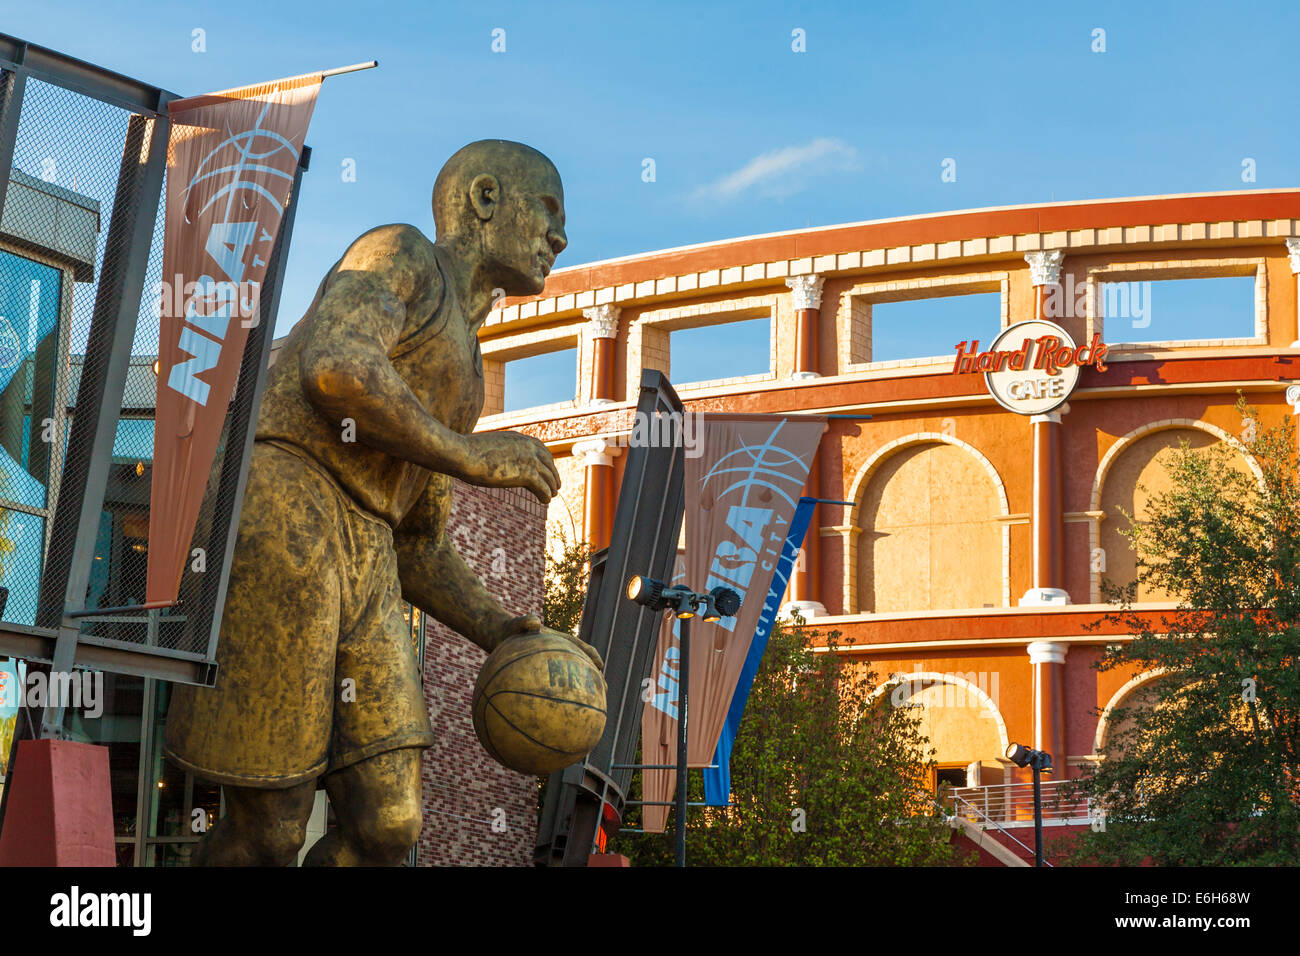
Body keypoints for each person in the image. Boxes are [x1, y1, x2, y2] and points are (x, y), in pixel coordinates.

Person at [165, 140, 601, 866]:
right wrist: (471, 455)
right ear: (486, 198)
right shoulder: (397, 252)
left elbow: (418, 544)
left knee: (390, 824)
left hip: (368, 547)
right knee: (268, 827)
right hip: (285, 500)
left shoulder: (469, 366)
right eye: (549, 211)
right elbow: (336, 364)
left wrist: (504, 630)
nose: (560, 236)